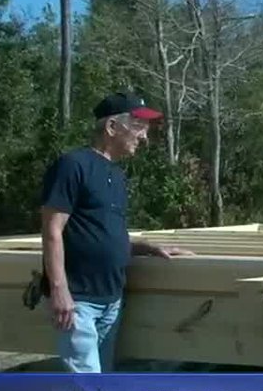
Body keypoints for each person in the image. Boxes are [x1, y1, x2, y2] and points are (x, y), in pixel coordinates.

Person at [39, 92, 191, 373]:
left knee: (99, 385)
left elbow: (103, 233)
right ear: (111, 127)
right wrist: (59, 290)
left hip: (111, 300)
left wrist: (147, 248)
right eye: (138, 126)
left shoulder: (117, 176)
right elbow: (52, 231)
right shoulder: (73, 166)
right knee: (88, 389)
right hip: (78, 299)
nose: (144, 136)